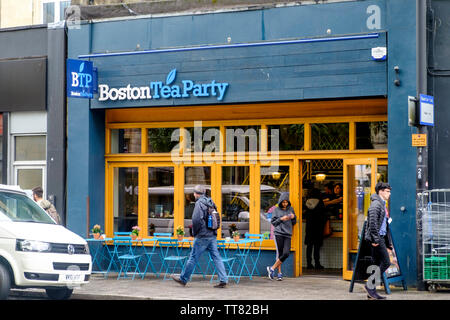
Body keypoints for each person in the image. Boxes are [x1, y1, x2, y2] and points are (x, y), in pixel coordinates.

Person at [172, 185, 228, 288]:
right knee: (216, 257)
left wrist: (195, 233)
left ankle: (183, 279)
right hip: (212, 234)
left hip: (202, 236)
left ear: (196, 194)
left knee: (193, 257)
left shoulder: (199, 204)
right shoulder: (210, 202)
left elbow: (196, 220)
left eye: (194, 193)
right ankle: (223, 279)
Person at [364, 182, 392, 300]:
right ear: (380, 191)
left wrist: (387, 243)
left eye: (389, 191)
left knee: (376, 264)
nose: (389, 194)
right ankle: (369, 286)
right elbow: (373, 223)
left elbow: (383, 224)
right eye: (387, 191)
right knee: (386, 262)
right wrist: (376, 239)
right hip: (376, 239)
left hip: (380, 238)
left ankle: (371, 292)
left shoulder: (381, 204)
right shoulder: (376, 204)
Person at [267, 192, 296, 281]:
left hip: (287, 234)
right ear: (280, 202)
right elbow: (273, 222)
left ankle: (271, 268)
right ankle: (279, 273)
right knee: (280, 253)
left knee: (286, 253)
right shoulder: (276, 210)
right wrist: (281, 219)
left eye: (286, 202)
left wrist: (293, 217)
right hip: (278, 233)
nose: (285, 204)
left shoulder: (291, 209)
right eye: (283, 202)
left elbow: (294, 222)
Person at [304, 188, 326, 270]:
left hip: (309, 227)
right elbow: (324, 215)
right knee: (317, 246)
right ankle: (317, 263)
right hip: (318, 228)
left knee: (309, 246)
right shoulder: (320, 203)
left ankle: (309, 264)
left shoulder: (307, 202)